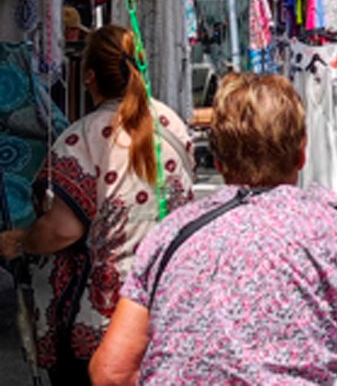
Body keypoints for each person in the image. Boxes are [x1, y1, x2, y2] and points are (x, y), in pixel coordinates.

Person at [89, 73, 337, 386]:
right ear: (301, 153)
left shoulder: (169, 233)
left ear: (217, 161)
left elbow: (111, 372)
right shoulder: (328, 231)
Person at [0, 25, 195, 384]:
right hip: (171, 303)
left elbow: (61, 230)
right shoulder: (171, 123)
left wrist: (23, 240)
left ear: (89, 77)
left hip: (105, 319)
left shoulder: (82, 137)